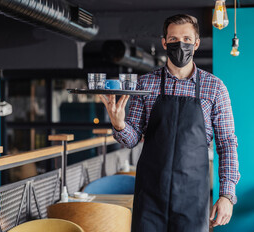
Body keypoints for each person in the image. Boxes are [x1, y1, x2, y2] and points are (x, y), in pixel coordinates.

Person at [99, 14, 240, 231]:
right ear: (164, 42)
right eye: (173, 39)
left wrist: (227, 195)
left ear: (196, 43)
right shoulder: (145, 84)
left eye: (186, 39)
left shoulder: (215, 88)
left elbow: (227, 143)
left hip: (193, 197)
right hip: (150, 196)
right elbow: (132, 139)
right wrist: (119, 125)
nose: (180, 44)